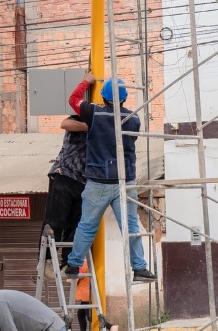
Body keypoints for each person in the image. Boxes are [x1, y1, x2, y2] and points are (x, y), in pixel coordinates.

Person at [63, 72, 155, 283]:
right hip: (125, 181)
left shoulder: (93, 112)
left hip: (98, 181)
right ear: (124, 98)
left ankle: (73, 266)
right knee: (131, 227)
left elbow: (73, 100)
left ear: (103, 97)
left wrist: (86, 81)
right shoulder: (134, 120)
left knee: (87, 225)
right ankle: (139, 268)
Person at [41, 114, 88, 266]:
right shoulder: (78, 119)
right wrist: (88, 126)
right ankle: (46, 259)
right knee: (55, 221)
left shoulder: (102, 127)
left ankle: (67, 262)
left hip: (83, 181)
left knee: (76, 225)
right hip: (64, 175)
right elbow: (64, 124)